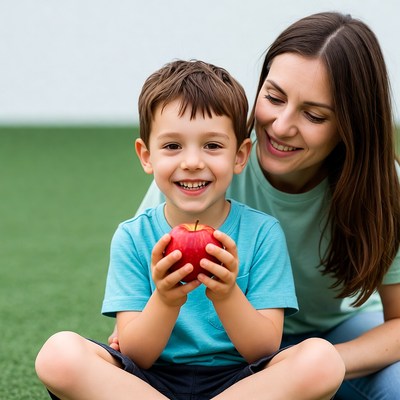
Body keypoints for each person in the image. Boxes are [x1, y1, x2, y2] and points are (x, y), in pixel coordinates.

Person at [109, 11, 400, 400]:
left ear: (352, 124)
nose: (280, 126)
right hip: (228, 346)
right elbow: (145, 295)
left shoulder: (383, 187)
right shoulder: (210, 165)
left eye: (314, 114)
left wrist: (308, 364)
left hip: (329, 335)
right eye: (274, 97)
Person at [35, 60, 344, 399]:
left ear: (240, 156)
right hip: (148, 384)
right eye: (172, 146)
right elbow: (135, 354)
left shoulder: (263, 233)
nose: (192, 161)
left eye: (212, 145)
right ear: (146, 155)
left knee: (323, 359)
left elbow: (263, 350)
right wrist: (166, 300)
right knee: (58, 354)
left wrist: (227, 295)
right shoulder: (133, 236)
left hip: (242, 383)